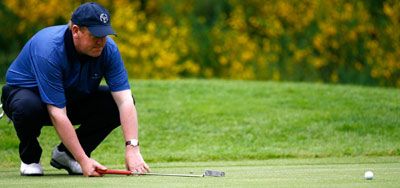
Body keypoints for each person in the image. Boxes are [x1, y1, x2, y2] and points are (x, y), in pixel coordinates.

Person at [1, 2, 150, 177]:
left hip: (71, 96)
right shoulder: (49, 49)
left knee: (114, 103)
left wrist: (132, 148)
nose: (101, 41)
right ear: (76, 31)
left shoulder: (108, 49)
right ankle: (30, 158)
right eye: (95, 35)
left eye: (105, 35)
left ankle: (66, 155)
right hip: (29, 98)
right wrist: (84, 161)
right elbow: (57, 113)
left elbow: (124, 100)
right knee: (26, 106)